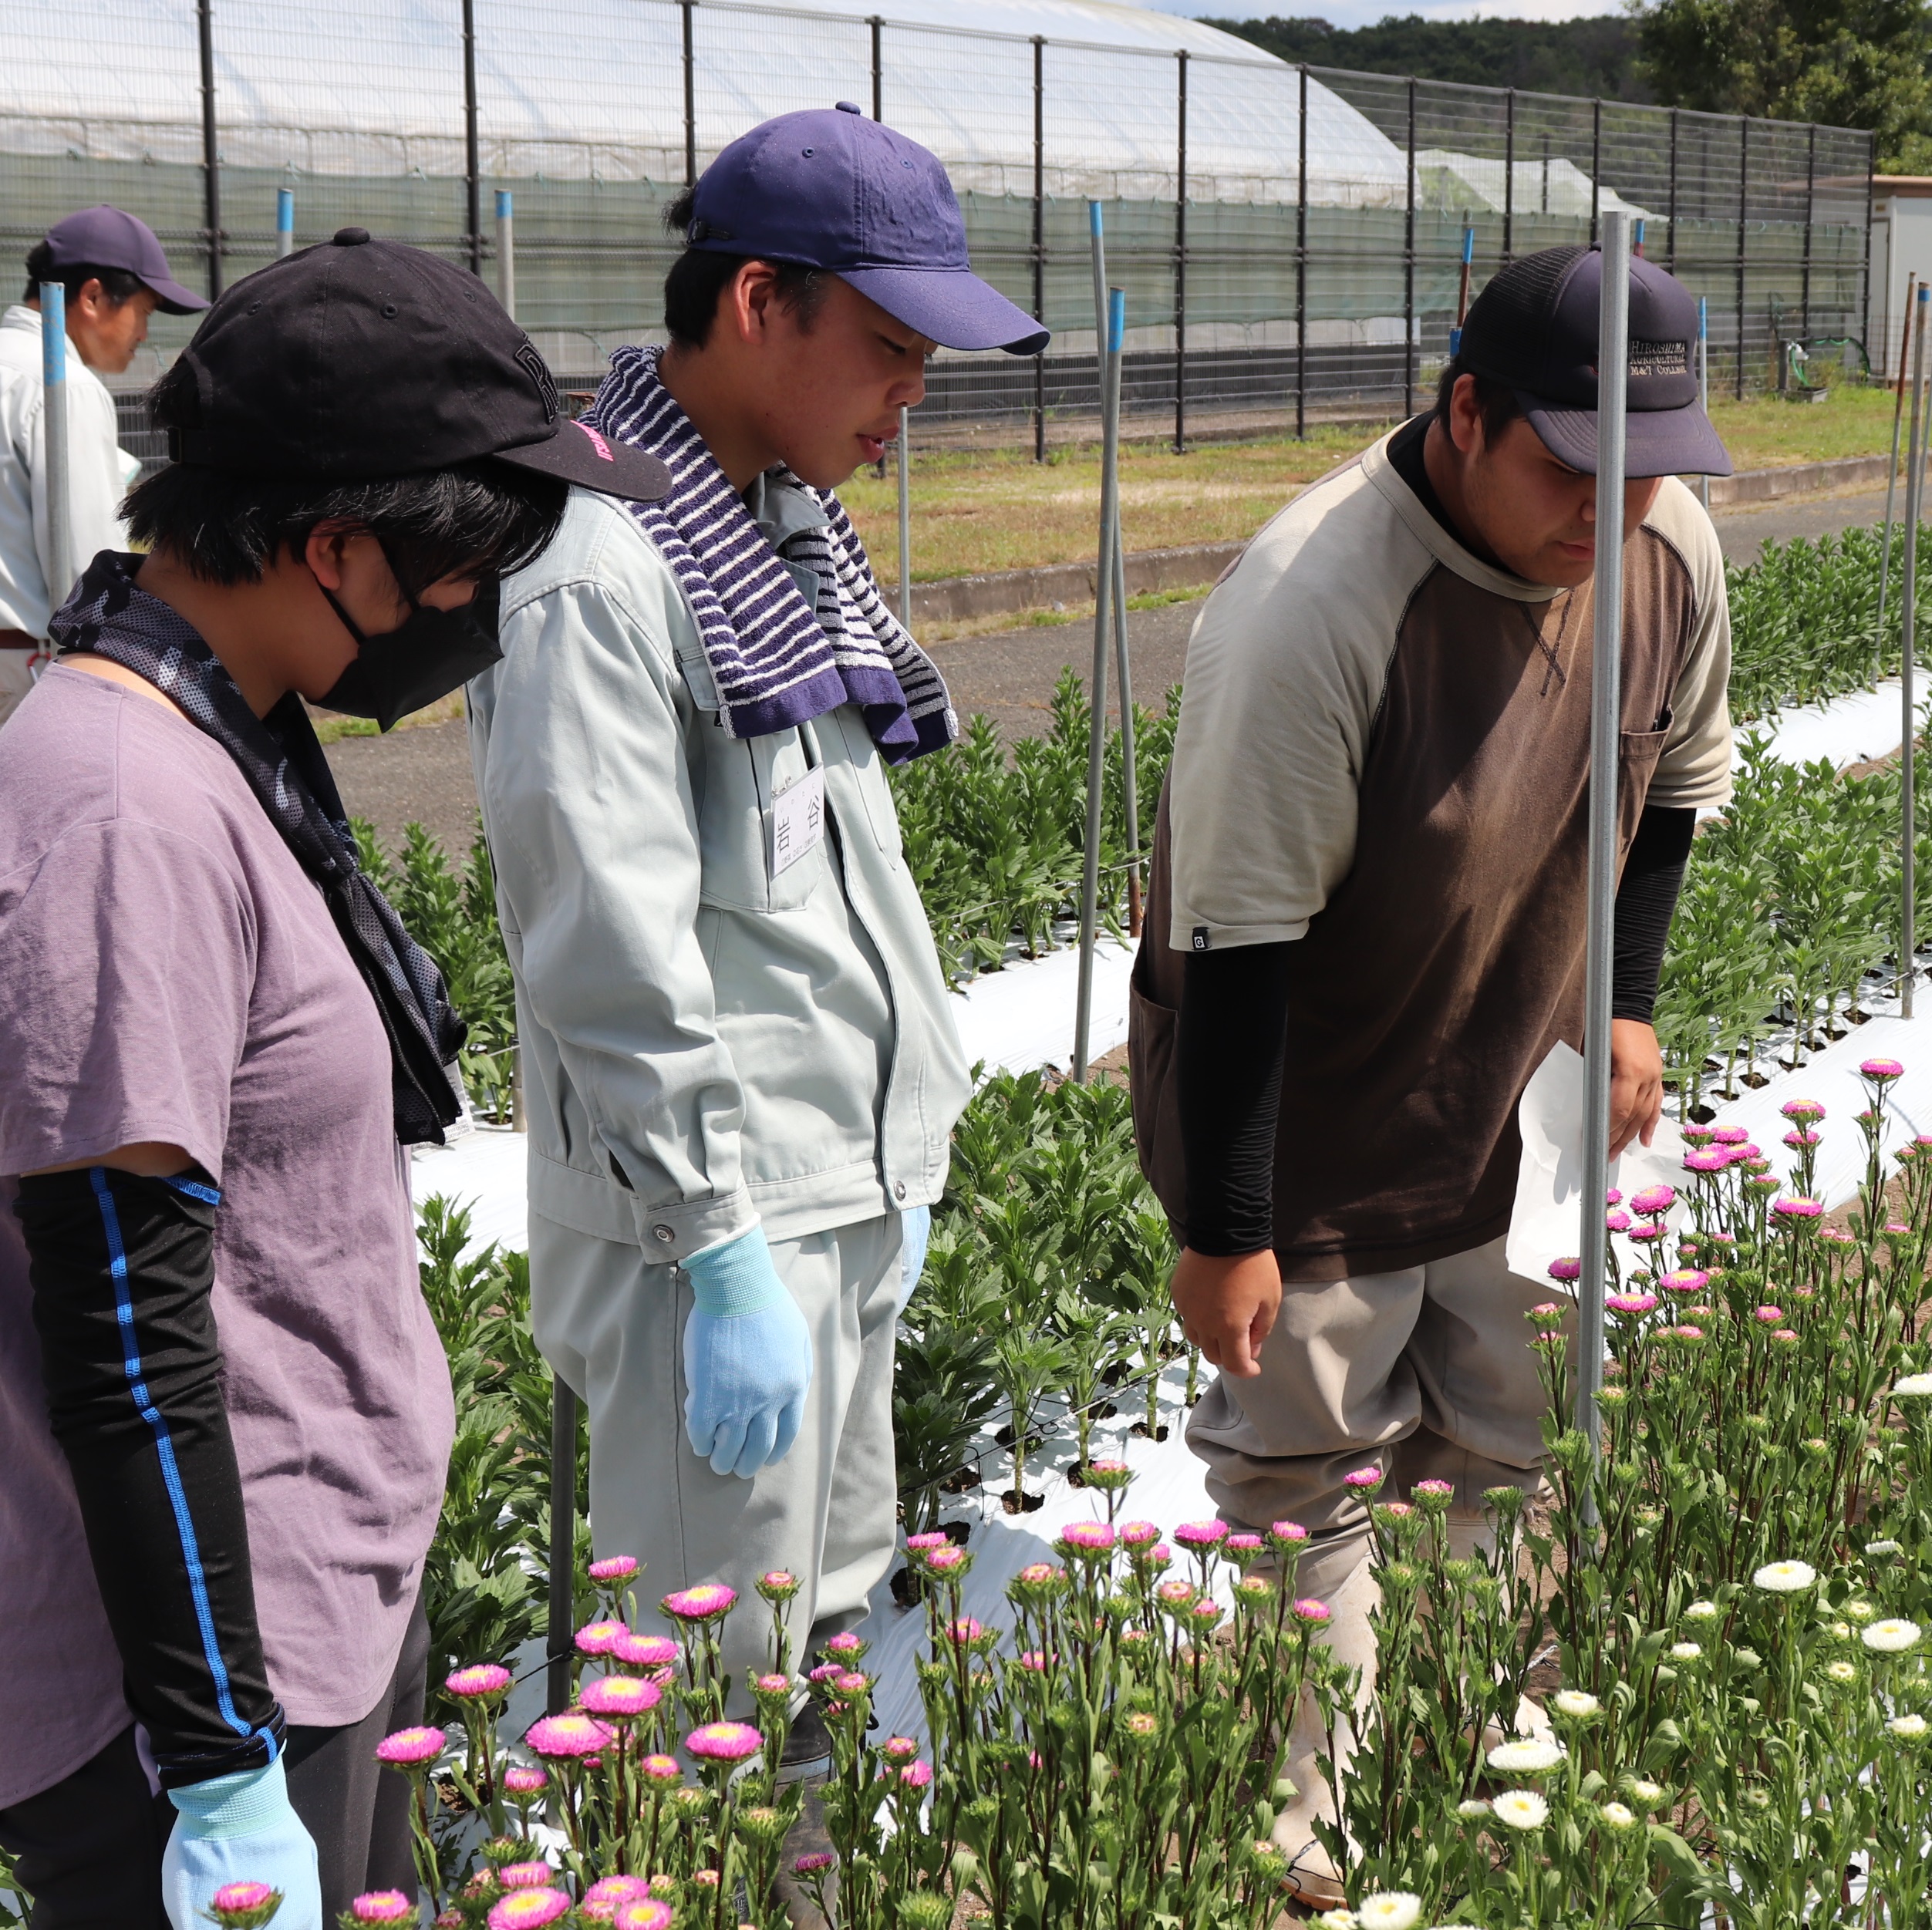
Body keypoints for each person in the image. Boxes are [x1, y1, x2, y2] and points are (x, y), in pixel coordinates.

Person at [0, 228, 668, 1930]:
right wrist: (220, 1769)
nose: (473, 611)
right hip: (205, 1705)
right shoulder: (121, 809)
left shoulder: (222, 725)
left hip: (312, 1615)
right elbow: (127, 1329)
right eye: (459, 565)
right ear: (329, 546)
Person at [1129, 244, 1735, 1901]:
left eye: (1647, 470)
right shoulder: (1312, 604)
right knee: (1307, 1467)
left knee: (1512, 1438)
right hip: (1310, 1097)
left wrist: (1624, 1005)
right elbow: (1237, 943)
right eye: (1570, 465)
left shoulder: (1659, 545)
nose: (1610, 510)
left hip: (1517, 1075)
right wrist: (1228, 1220)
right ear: (1463, 412)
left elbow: (1672, 782)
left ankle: (1477, 1763)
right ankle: (1307, 1839)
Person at [467, 103, 1047, 1740]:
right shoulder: (598, 570)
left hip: (830, 1196)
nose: (911, 393)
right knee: (695, 1694)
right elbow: (609, 952)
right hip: (709, 1239)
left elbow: (833, 878)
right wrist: (720, 1248)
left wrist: (895, 1155)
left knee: (822, 1635)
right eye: (885, 343)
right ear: (753, 304)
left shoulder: (774, 531)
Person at [0, 207, 207, 728]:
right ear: (91, 297)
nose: (143, 333)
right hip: (23, 670)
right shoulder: (60, 385)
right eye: (144, 310)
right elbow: (85, 570)